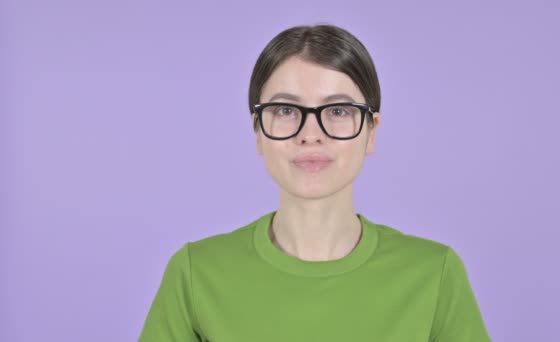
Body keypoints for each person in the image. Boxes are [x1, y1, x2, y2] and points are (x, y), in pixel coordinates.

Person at [138, 23, 492, 342]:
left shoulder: (434, 274)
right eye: (286, 110)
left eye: (337, 111)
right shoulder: (195, 273)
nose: (310, 135)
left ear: (372, 132)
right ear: (258, 132)